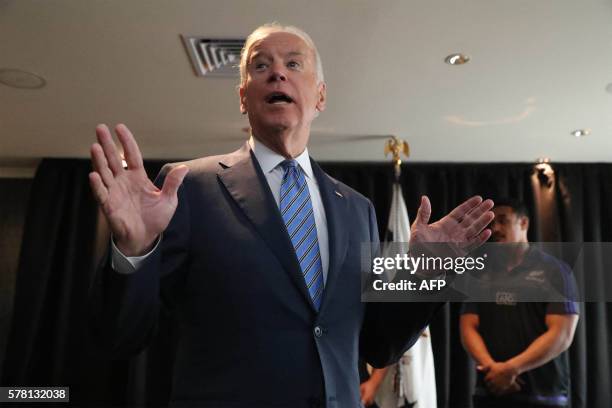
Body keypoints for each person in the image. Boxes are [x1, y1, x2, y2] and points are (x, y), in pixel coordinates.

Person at [89, 23, 495, 407]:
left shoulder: (357, 208)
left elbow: (376, 343)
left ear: (320, 96)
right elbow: (123, 336)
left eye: (293, 64)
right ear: (243, 97)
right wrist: (134, 249)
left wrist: (424, 273)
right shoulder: (189, 187)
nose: (277, 74)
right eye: (260, 65)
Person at [460, 199, 579, 408]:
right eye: (492, 224)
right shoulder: (479, 272)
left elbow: (562, 334)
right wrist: (493, 370)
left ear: (524, 223)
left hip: (544, 397)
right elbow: (468, 326)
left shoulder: (555, 271)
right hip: (490, 393)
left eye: (503, 221)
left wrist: (511, 369)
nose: (495, 228)